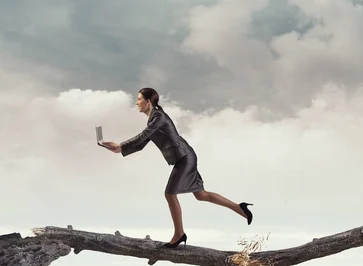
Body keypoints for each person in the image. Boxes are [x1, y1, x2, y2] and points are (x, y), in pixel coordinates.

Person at [101, 87, 253, 249]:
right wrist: (119, 149)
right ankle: (239, 208)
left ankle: (179, 234)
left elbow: (143, 135)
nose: (136, 102)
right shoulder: (153, 118)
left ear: (148, 102)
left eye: (138, 99)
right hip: (185, 156)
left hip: (184, 158)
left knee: (170, 194)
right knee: (201, 195)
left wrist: (120, 145)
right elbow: (142, 143)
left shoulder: (158, 117)